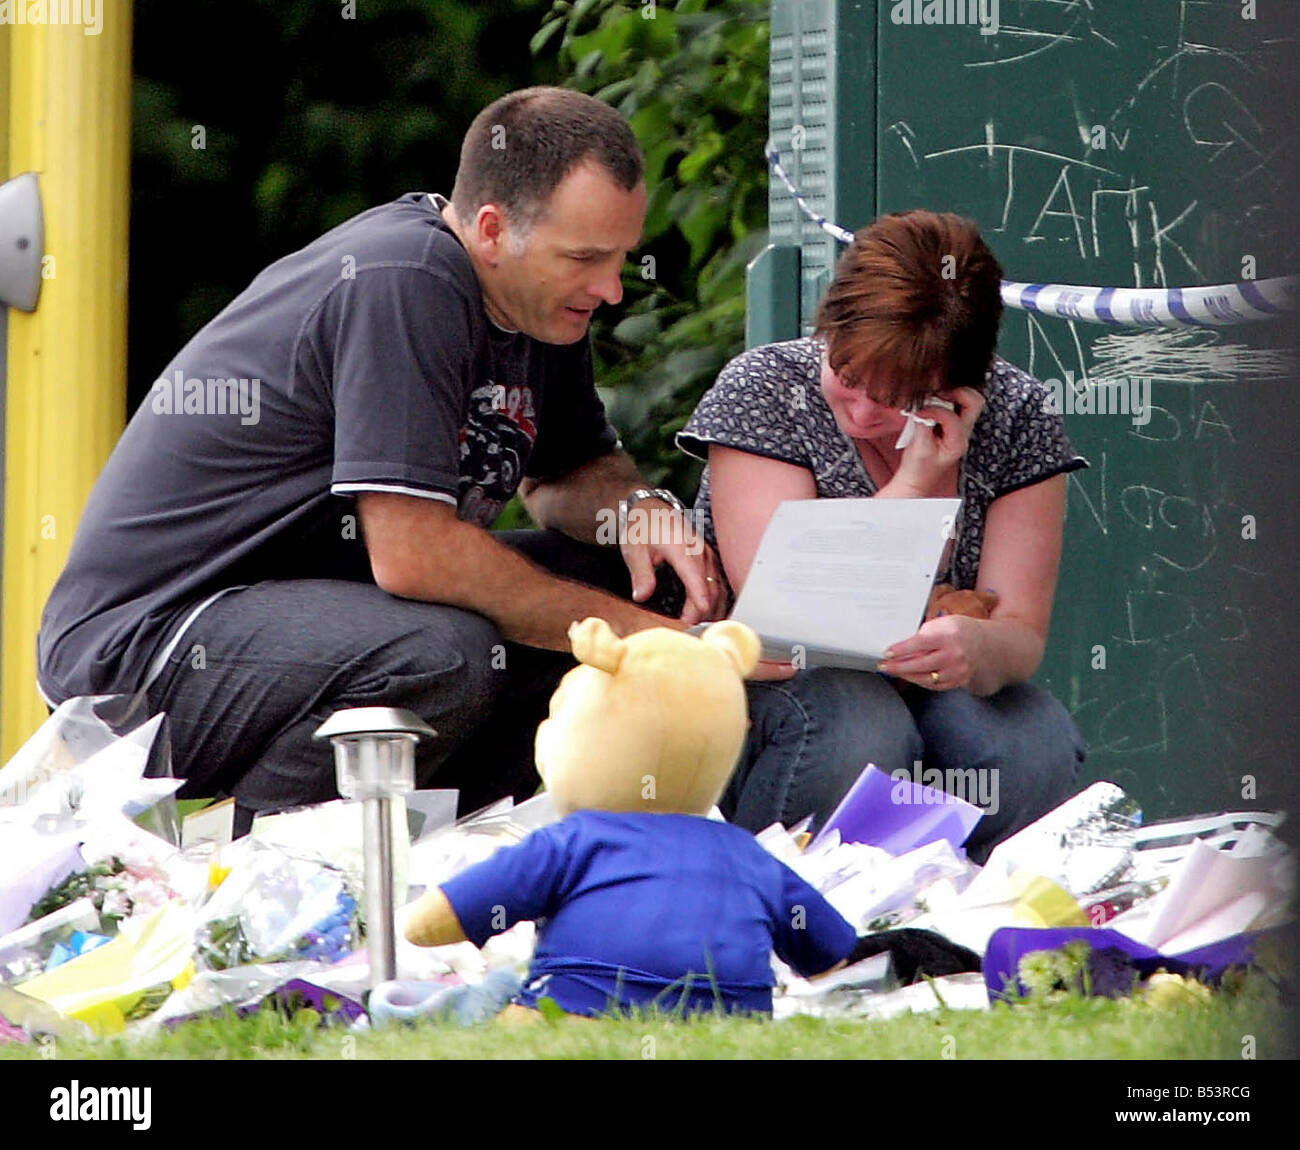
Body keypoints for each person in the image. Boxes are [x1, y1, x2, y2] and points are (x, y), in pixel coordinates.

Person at [36, 87, 725, 833]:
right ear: (492, 231)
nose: (610, 288)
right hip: (137, 653)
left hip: (318, 621)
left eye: (621, 258)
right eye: (586, 259)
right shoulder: (409, 278)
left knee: (637, 588)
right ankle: (271, 890)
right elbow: (415, 556)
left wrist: (635, 514)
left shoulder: (541, 304)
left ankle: (464, 863)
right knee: (444, 655)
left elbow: (568, 476)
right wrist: (642, 644)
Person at [678, 210, 1089, 863]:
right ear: (828, 327)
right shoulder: (766, 388)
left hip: (924, 689)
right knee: (860, 723)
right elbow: (791, 618)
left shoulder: (1019, 415)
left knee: (1029, 736)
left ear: (963, 388)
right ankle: (774, 909)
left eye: (898, 396)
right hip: (775, 691)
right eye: (849, 374)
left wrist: (975, 645)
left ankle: (939, 918)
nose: (866, 412)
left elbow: (1021, 636)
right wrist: (917, 482)